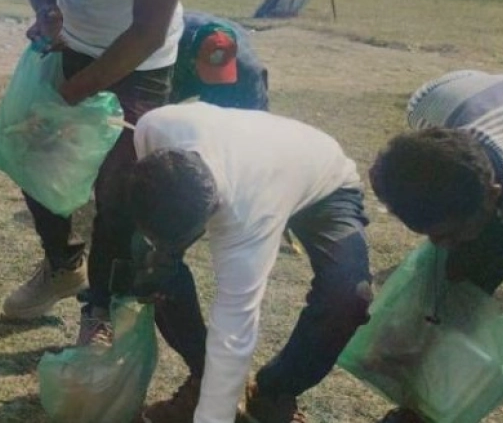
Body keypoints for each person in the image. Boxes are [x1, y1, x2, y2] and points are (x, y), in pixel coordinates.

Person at [1, 0, 197, 345]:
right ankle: (63, 267)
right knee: (32, 154)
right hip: (70, 45)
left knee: (117, 189)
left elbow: (148, 31)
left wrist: (73, 96)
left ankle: (101, 308)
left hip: (141, 62)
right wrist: (46, 10)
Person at [128, 102, 371, 423]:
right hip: (258, 160)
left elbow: (235, 326)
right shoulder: (154, 128)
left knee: (348, 295)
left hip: (323, 183)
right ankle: (203, 377)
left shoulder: (248, 215)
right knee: (151, 266)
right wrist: (158, 253)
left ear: (211, 213)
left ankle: (273, 393)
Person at [367, 71, 503, 423]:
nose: (440, 245)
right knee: (452, 276)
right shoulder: (428, 115)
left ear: (492, 197)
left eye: (450, 232)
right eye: (430, 233)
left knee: (470, 277)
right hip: (462, 93)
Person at [172, 12, 269, 111]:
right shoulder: (171, 42)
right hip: (176, 55)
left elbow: (255, 118)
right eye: (209, 72)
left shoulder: (247, 70)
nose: (213, 80)